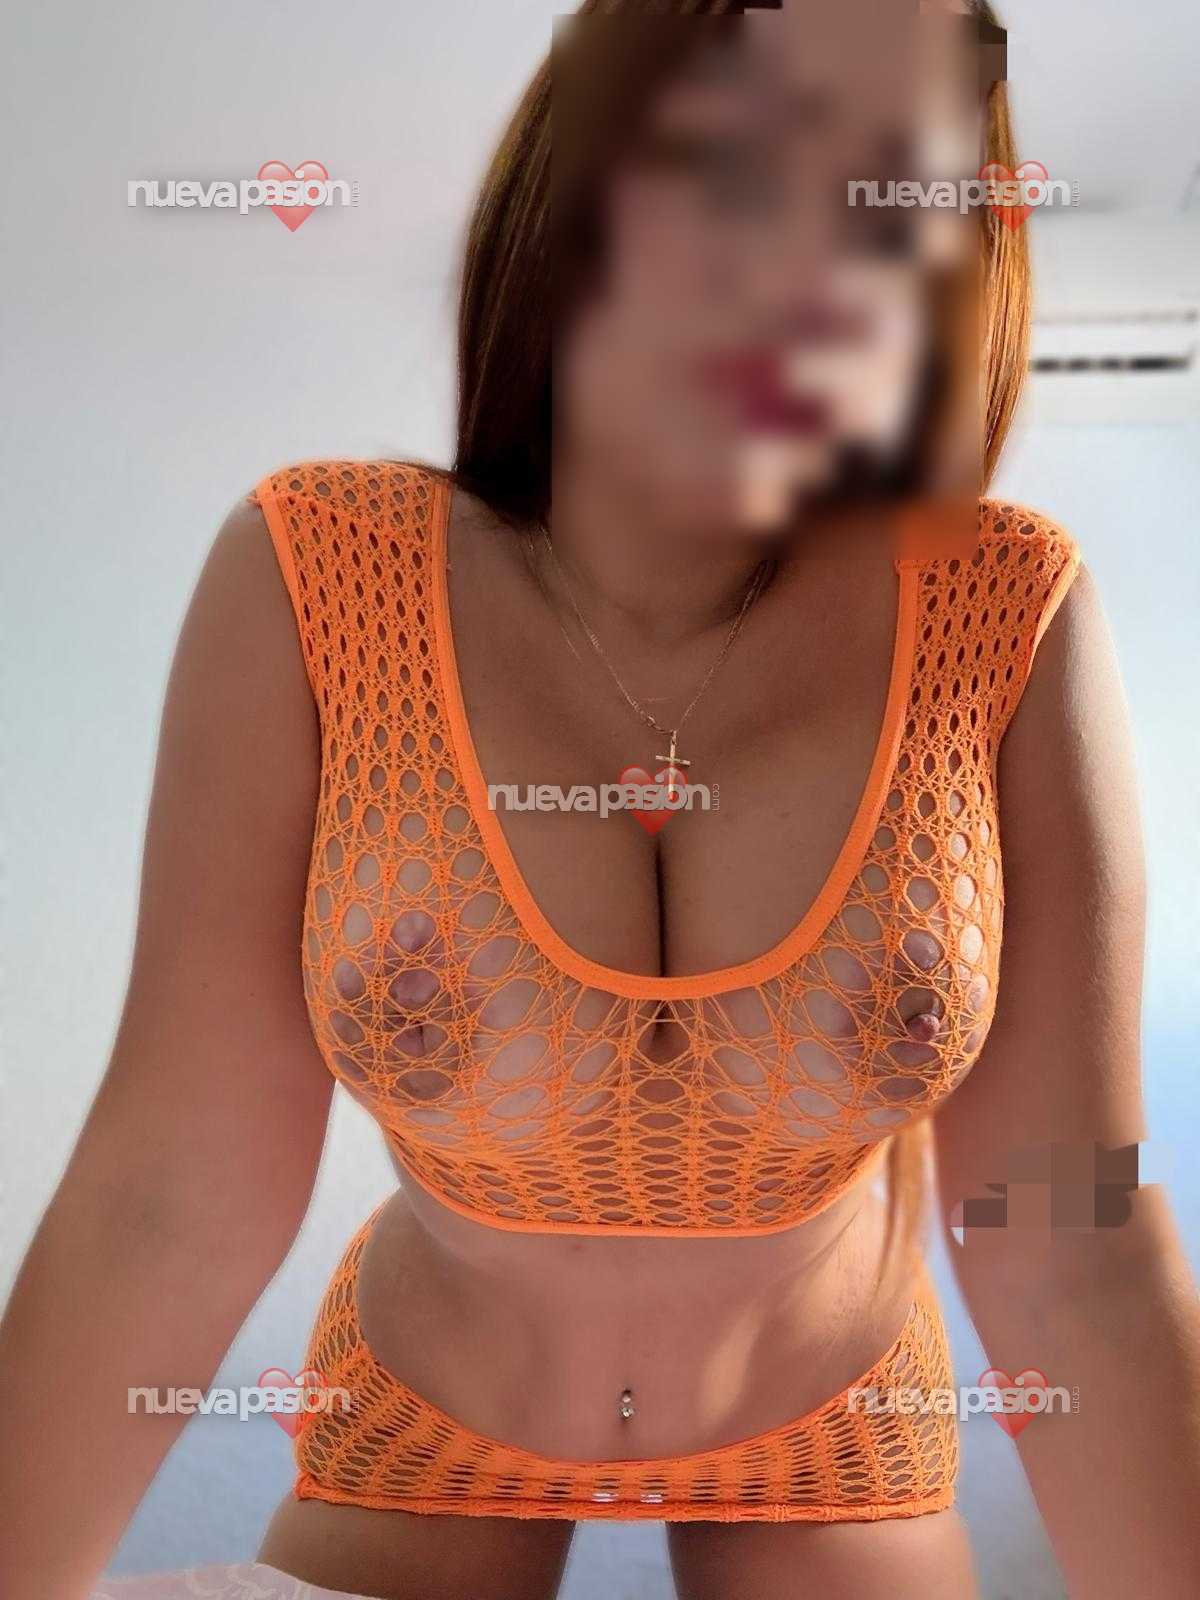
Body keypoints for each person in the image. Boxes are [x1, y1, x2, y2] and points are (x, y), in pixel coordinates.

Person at [3, 4, 1198, 1599]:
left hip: (835, 1418)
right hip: (428, 1410)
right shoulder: (317, 574)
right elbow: (167, 1193)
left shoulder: (1005, 614)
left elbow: (1075, 1242)